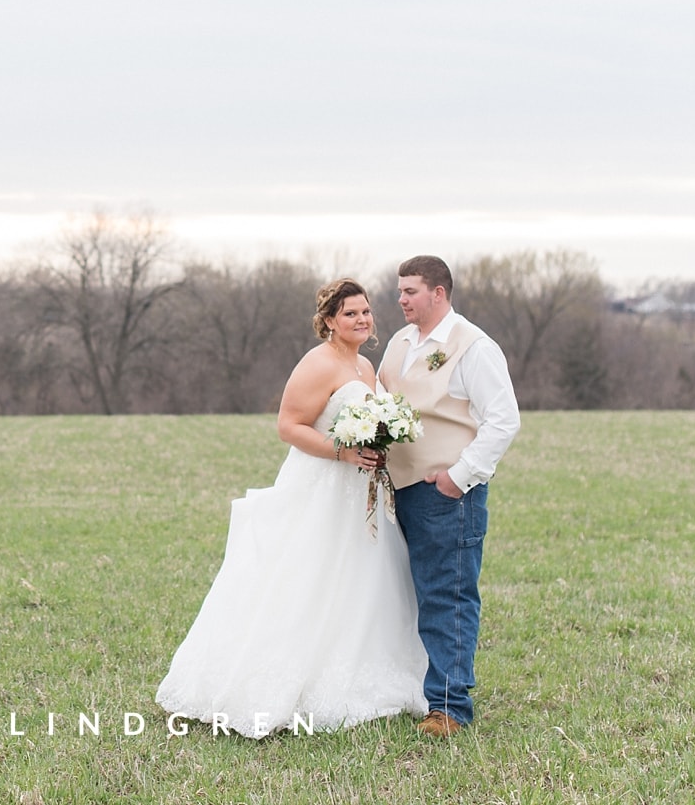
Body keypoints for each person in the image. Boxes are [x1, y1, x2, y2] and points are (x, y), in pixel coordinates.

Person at [155, 278, 428, 737]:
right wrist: (342, 452)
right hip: (322, 488)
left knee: (366, 579)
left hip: (363, 493)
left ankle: (363, 668)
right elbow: (288, 425)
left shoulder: (365, 365)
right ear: (328, 322)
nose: (362, 320)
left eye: (366, 312)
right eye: (350, 314)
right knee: (310, 578)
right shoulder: (318, 364)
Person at [378, 255, 520, 737]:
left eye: (410, 291)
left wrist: (460, 476)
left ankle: (448, 708)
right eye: (399, 290)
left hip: (446, 496)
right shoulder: (399, 343)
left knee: (448, 596)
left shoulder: (474, 346)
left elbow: (503, 420)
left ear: (439, 293)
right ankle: (408, 687)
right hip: (396, 492)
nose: (401, 299)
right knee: (401, 594)